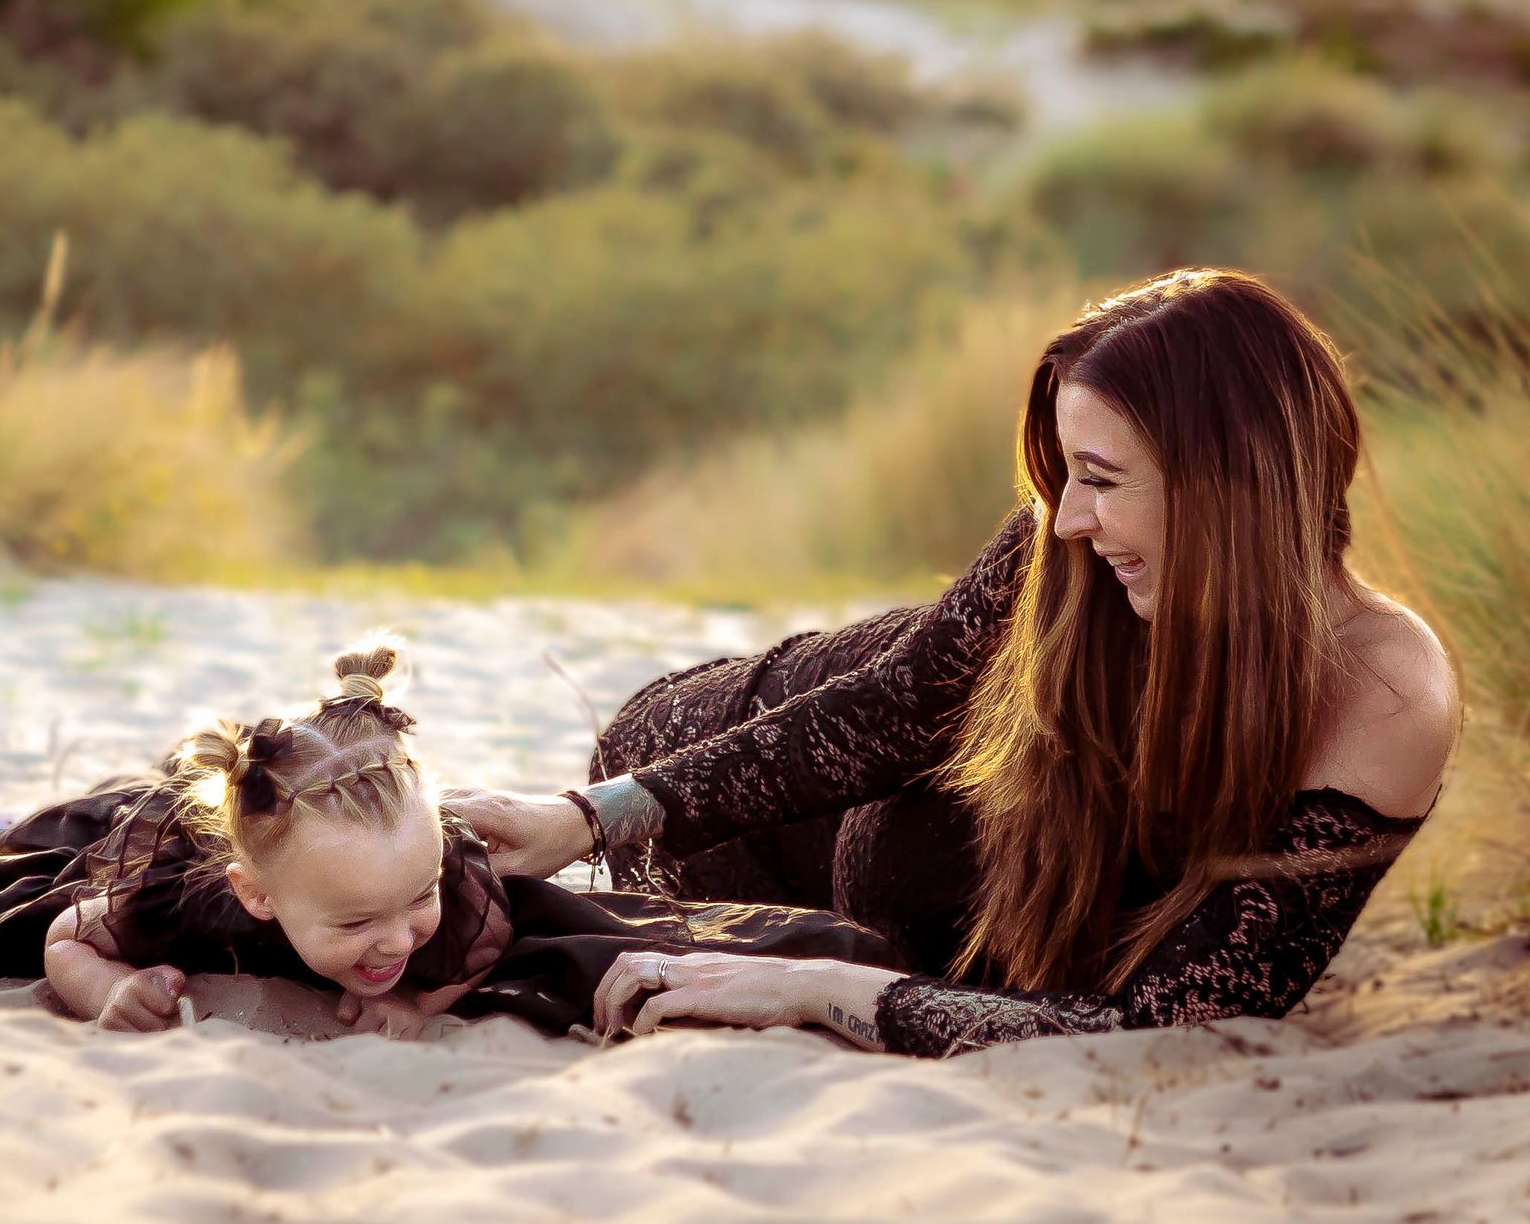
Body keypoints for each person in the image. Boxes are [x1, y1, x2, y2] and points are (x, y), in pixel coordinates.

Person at [449, 268, 1463, 1057]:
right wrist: (584, 819)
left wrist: (824, 990)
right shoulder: (1066, 558)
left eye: (1103, 480)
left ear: (1228, 487)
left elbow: (1175, 1023)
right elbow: (893, 710)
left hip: (907, 906)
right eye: (1064, 479)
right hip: (728, 760)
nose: (1067, 520)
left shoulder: (1382, 696)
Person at [0, 641, 901, 1039]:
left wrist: (424, 996)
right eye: (356, 919)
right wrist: (103, 990)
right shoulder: (196, 895)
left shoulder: (446, 888)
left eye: (406, 899)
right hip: (198, 853)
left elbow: (488, 938)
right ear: (258, 898)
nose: (394, 933)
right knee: (81, 840)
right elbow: (72, 930)